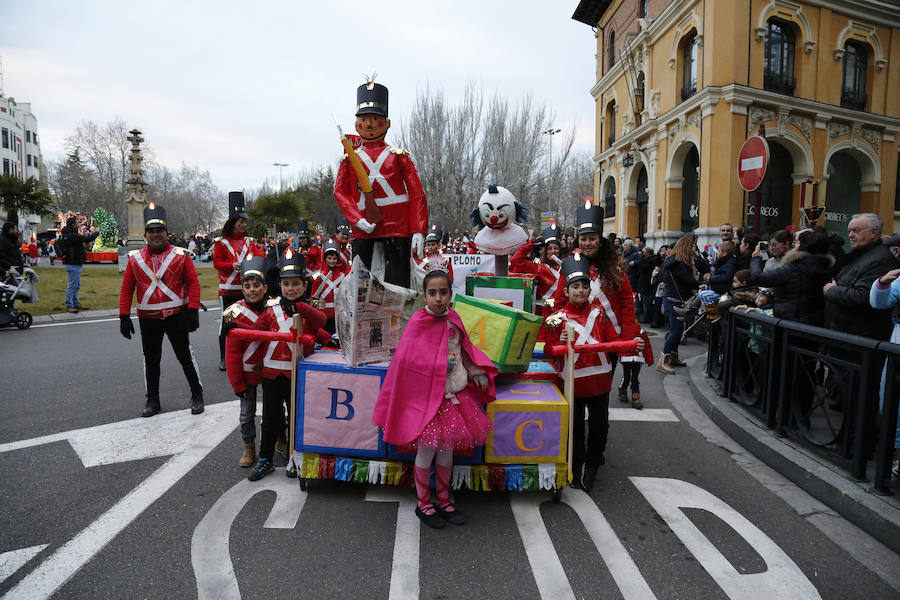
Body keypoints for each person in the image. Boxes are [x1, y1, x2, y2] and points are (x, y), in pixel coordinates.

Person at [373, 268, 497, 528]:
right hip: (426, 400)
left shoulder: (454, 319)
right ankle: (424, 503)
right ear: (424, 295)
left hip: (453, 395)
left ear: (451, 294)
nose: (438, 298)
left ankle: (443, 500)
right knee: (426, 452)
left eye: (443, 292)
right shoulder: (418, 322)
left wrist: (474, 370)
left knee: (447, 453)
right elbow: (408, 361)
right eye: (432, 293)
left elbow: (463, 349)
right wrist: (438, 365)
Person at [543, 254, 643, 491]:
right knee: (575, 427)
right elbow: (548, 350)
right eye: (575, 287)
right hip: (572, 383)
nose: (580, 290)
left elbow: (612, 340)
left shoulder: (599, 313)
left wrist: (632, 344)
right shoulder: (556, 319)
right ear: (566, 291)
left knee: (599, 425)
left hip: (600, 381)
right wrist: (559, 341)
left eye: (584, 286)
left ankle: (594, 463)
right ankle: (575, 465)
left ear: (590, 289)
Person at [334, 76, 428, 287]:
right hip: (364, 226)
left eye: (375, 119)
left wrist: (418, 229)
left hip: (397, 226)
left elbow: (417, 194)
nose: (369, 124)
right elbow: (340, 192)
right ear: (357, 124)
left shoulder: (399, 155)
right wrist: (356, 219)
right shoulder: (350, 159)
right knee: (362, 286)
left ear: (386, 123)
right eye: (364, 119)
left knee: (398, 285)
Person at [245, 249, 329, 481]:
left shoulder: (309, 309)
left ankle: (296, 456)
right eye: (286, 284)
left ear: (304, 286)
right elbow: (257, 332)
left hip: (299, 376)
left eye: (295, 284)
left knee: (297, 417)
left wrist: (301, 308)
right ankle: (265, 459)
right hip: (272, 376)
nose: (290, 289)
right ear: (279, 286)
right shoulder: (270, 309)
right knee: (271, 418)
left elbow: (321, 322)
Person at [119, 203, 203, 417]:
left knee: (185, 356)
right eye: (152, 231)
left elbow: (193, 283)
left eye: (160, 231)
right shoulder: (135, 259)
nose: (156, 235)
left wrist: (193, 309)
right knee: (151, 360)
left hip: (177, 316)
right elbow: (127, 287)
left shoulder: (181, 255)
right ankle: (153, 400)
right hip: (148, 319)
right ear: (146, 234)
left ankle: (197, 394)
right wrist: (123, 315)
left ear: (167, 233)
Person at [551, 202, 641, 366]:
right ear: (578, 241)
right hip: (578, 336)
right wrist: (561, 332)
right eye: (583, 239)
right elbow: (560, 303)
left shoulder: (615, 267)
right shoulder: (570, 266)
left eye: (592, 239)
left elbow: (627, 303)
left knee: (605, 382)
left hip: (610, 336)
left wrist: (627, 339)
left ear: (600, 240)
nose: (587, 243)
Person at [223, 256, 270, 468]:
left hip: (271, 371)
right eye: (247, 286)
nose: (252, 289)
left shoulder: (274, 308)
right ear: (242, 289)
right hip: (247, 372)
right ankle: (248, 445)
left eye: (256, 285)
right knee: (246, 413)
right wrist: (237, 383)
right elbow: (232, 355)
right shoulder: (233, 313)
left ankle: (277, 439)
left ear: (265, 287)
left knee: (274, 411)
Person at [823, 213, 896, 341]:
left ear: (874, 232)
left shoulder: (881, 259)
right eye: (849, 231)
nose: (850, 235)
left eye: (856, 230)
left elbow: (865, 297)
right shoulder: (859, 255)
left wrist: (831, 290)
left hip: (860, 342)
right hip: (843, 337)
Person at [214, 192, 265, 370]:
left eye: (245, 222)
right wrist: (231, 265)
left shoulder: (250, 242)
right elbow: (217, 263)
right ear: (233, 222)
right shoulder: (221, 242)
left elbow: (259, 258)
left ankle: (248, 353)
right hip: (228, 289)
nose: (243, 225)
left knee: (249, 321)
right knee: (227, 323)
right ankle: (223, 357)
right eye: (240, 221)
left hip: (247, 288)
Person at [750, 230, 834, 325]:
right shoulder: (824, 267)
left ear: (803, 247)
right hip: (814, 325)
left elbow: (758, 278)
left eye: (798, 242)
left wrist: (756, 258)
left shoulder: (793, 268)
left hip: (789, 323)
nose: (794, 245)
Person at [658, 236, 705, 374]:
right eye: (691, 246)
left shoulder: (671, 261)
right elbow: (689, 281)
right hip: (676, 300)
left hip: (671, 298)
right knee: (676, 331)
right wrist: (699, 284)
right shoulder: (680, 264)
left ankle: (673, 357)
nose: (693, 249)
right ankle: (663, 361)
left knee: (677, 330)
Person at [510, 224, 562, 339]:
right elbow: (515, 260)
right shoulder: (539, 268)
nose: (553, 251)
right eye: (549, 248)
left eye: (556, 248)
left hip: (560, 315)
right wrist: (530, 246)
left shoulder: (567, 267)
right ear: (545, 251)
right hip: (542, 315)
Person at [309, 239, 350, 336]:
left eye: (334, 258)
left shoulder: (342, 277)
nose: (332, 261)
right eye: (329, 258)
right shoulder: (318, 278)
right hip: (323, 316)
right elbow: (313, 297)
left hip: (339, 316)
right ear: (325, 259)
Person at [60, 216, 100, 313]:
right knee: (73, 284)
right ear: (73, 225)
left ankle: (75, 303)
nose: (79, 224)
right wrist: (97, 232)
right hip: (73, 262)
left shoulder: (68, 234)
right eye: (78, 222)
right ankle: (69, 305)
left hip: (73, 262)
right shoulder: (72, 235)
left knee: (76, 285)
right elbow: (88, 238)